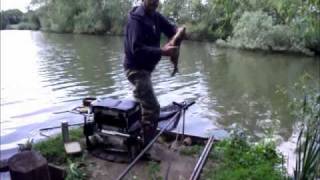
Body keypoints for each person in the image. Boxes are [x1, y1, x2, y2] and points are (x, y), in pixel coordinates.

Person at [123, 0, 183, 148]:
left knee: (141, 105)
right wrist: (163, 51)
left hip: (146, 69)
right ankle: (145, 147)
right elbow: (136, 49)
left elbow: (171, 30)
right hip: (135, 69)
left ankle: (136, 138)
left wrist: (179, 32)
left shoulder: (155, 16)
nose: (155, 3)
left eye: (157, 1)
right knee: (153, 108)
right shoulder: (135, 20)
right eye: (151, 1)